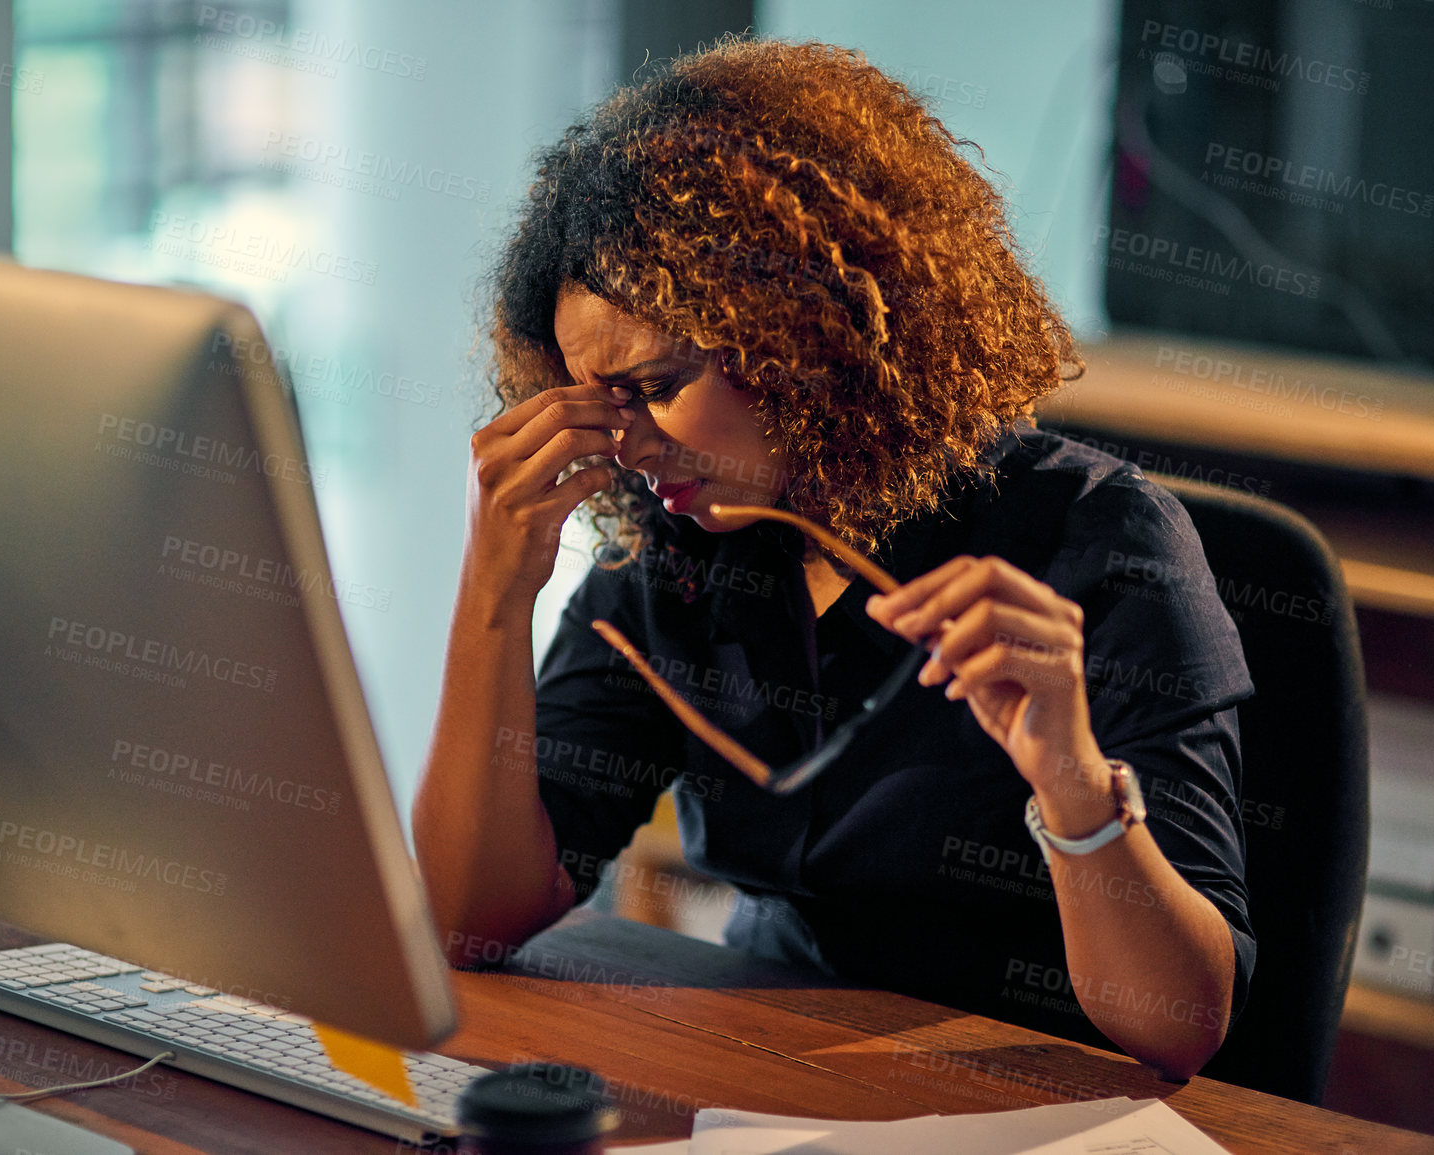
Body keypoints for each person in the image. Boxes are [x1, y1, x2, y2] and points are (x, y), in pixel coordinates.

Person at [413, 38, 1253, 1081]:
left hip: (1042, 1102)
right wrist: (497, 589)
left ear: (806, 333)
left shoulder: (1098, 544)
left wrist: (1075, 783)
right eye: (600, 403)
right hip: (781, 1078)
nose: (626, 443)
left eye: (658, 384)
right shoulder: (677, 549)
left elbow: (1179, 1023)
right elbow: (469, 925)